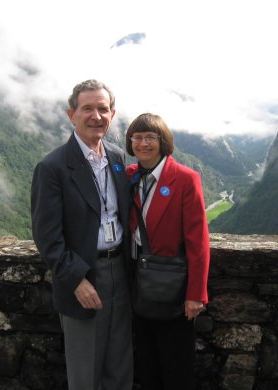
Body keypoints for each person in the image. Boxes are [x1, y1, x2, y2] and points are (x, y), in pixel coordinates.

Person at [31, 79, 133, 390]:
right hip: (85, 275)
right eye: (87, 108)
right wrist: (76, 279)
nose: (96, 116)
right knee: (86, 371)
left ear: (112, 115)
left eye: (103, 109)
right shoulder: (53, 167)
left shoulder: (117, 158)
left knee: (120, 362)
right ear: (71, 114)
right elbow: (47, 236)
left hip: (121, 272)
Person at [125, 113, 210, 390]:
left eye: (150, 137)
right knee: (147, 364)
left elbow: (198, 242)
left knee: (176, 367)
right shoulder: (129, 177)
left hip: (173, 287)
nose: (143, 143)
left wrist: (196, 294)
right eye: (137, 137)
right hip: (138, 283)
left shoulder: (185, 179)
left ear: (163, 142)